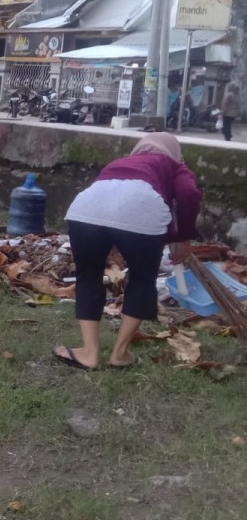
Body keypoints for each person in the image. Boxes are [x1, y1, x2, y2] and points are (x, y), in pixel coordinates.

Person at [53, 133, 201, 370]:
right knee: (142, 280)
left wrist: (111, 239)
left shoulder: (120, 162)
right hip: (142, 212)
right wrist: (183, 237)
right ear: (173, 151)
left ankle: (89, 353)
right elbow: (189, 194)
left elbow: (110, 203)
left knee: (88, 276)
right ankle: (119, 353)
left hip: (85, 210)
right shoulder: (173, 164)